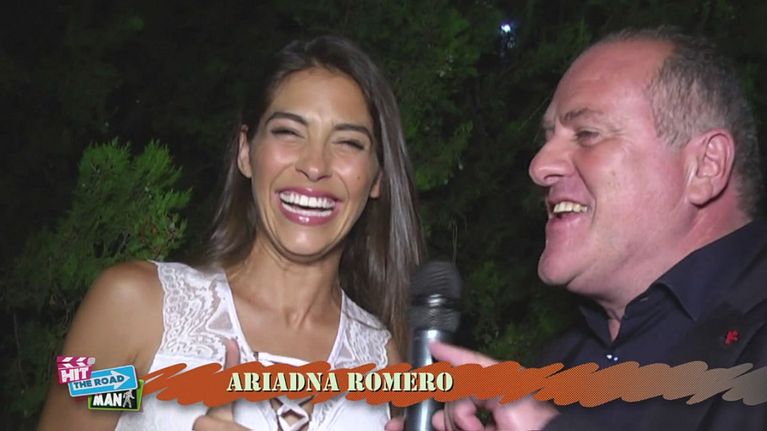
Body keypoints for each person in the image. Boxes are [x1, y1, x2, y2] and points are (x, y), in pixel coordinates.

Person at [388, 26, 767, 431]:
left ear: (706, 166)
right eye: (548, 138)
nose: (539, 166)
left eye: (587, 134)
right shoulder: (558, 369)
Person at [39, 35, 424, 431]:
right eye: (288, 132)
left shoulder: (382, 361)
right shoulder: (132, 303)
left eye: (349, 142)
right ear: (245, 151)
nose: (314, 165)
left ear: (377, 177)